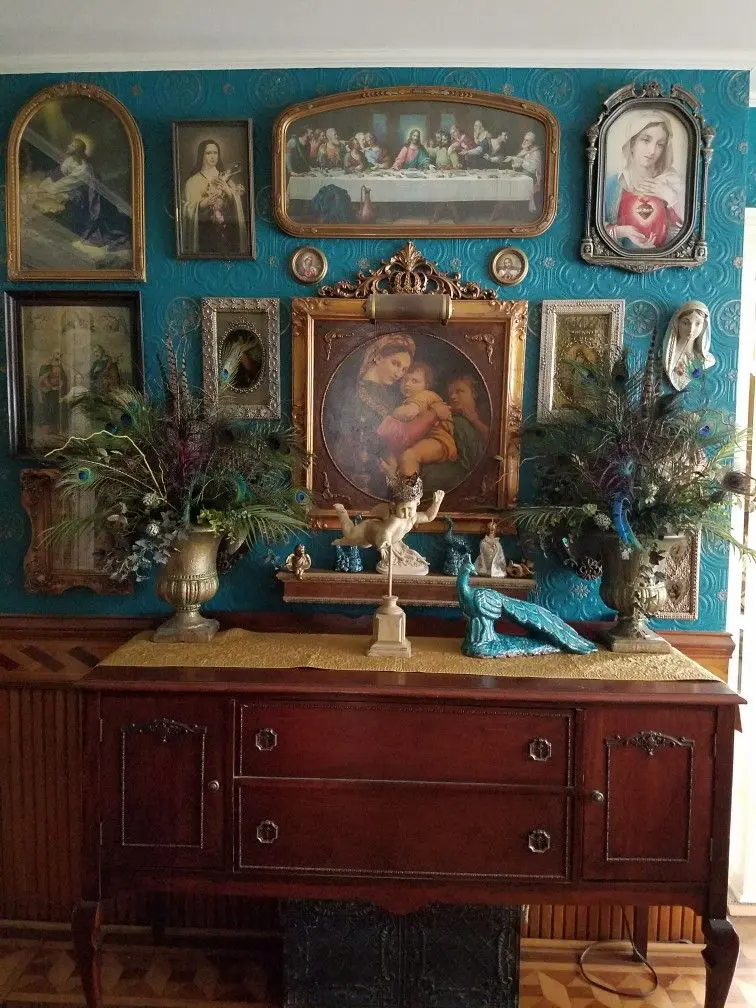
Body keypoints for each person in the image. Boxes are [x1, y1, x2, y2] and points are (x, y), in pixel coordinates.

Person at [31, 135, 130, 257]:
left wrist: (50, 188)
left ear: (77, 149)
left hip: (86, 195)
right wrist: (46, 182)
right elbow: (59, 173)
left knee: (74, 207)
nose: (68, 146)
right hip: (70, 188)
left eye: (72, 145)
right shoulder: (70, 160)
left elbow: (69, 183)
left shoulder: (84, 169)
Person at [603, 110, 684, 250]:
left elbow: (687, 230)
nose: (652, 150)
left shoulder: (672, 182)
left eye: (660, 144)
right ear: (632, 143)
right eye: (646, 140)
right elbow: (596, 229)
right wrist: (624, 231)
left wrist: (670, 197)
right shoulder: (613, 184)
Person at [379, 362, 458, 476]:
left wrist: (392, 413)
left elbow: (409, 413)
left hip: (439, 441)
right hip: (421, 438)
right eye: (404, 380)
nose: (407, 384)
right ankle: (397, 481)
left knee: (410, 455)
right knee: (392, 454)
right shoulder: (412, 398)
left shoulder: (425, 395)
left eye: (414, 381)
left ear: (426, 384)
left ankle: (410, 491)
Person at [182, 139, 246, 256]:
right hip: (204, 234)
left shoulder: (227, 178)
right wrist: (201, 205)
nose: (212, 156)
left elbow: (239, 206)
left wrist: (228, 192)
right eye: (208, 153)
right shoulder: (191, 182)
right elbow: (186, 210)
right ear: (201, 155)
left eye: (215, 153)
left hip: (227, 234)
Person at [662, 301, 715, 391]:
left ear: (704, 326)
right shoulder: (667, 357)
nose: (691, 329)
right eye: (685, 323)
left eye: (698, 323)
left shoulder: (707, 360)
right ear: (677, 324)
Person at [36, 350, 69, 438]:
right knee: (49, 410)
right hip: (48, 393)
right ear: (53, 354)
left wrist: (61, 384)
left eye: (60, 354)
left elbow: (63, 378)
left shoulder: (60, 366)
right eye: (57, 354)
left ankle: (56, 430)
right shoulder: (47, 365)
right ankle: (46, 432)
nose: (59, 356)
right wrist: (52, 387)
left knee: (57, 409)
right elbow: (43, 380)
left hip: (57, 392)